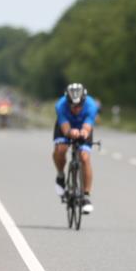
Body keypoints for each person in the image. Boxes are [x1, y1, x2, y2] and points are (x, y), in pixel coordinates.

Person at [53, 83, 99, 214]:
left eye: (79, 105)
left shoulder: (91, 106)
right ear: (67, 101)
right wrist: (70, 132)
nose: (76, 108)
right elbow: (65, 128)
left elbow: (87, 127)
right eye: (73, 105)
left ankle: (86, 196)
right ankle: (61, 175)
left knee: (84, 157)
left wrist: (84, 132)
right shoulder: (60, 105)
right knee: (60, 149)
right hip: (66, 125)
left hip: (83, 125)